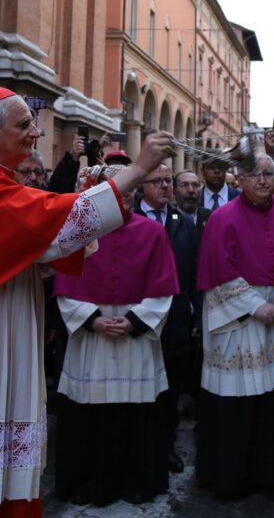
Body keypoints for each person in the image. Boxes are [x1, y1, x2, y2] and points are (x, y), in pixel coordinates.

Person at [0, 86, 174, 517]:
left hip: (4, 319)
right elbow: (57, 223)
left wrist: (85, 193)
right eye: (24, 124)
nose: (35, 132)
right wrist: (138, 168)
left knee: (4, 433)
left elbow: (43, 245)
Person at [195, 153, 274, 502]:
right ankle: (235, 476)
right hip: (241, 324)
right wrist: (255, 306)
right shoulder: (222, 219)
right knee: (240, 400)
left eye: (268, 174)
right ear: (239, 179)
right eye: (254, 174)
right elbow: (217, 273)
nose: (262, 180)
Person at [53, 177, 179, 505]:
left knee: (137, 415)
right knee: (88, 412)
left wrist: (134, 321)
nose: (118, 202)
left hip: (134, 337)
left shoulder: (153, 232)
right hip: (92, 337)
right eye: (111, 196)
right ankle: (88, 483)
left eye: (124, 195)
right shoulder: (79, 233)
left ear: (133, 195)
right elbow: (64, 288)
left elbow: (164, 289)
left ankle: (138, 481)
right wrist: (92, 320)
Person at [135, 162, 202, 473]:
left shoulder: (183, 224)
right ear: (142, 186)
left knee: (170, 389)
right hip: (136, 320)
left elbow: (193, 274)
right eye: (156, 180)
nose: (163, 186)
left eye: (166, 180)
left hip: (175, 321)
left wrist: (195, 314)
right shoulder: (130, 218)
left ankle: (166, 446)